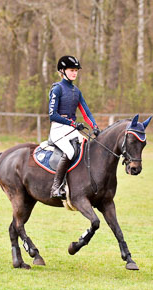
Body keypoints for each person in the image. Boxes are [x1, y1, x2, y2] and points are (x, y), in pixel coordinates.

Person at [48, 55, 100, 199]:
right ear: (62, 71)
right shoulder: (57, 89)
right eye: (71, 70)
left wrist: (94, 126)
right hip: (58, 129)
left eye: (76, 70)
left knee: (87, 147)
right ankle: (56, 187)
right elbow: (52, 115)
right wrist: (73, 124)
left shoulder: (76, 91)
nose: (74, 73)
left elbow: (86, 111)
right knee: (70, 152)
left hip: (71, 129)